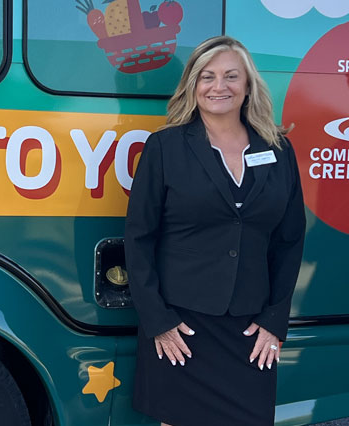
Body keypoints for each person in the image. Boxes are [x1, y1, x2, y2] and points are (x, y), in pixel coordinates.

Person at [123, 36, 306, 426]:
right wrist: (158, 320)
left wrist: (275, 320)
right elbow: (139, 239)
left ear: (247, 86)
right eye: (207, 77)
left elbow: (290, 241)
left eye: (230, 76)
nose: (218, 86)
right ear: (193, 85)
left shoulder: (278, 150)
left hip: (250, 328)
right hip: (182, 328)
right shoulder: (164, 148)